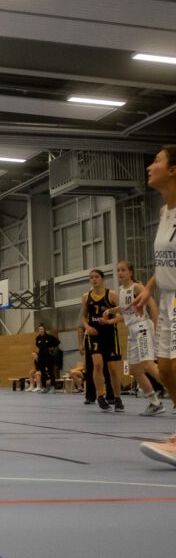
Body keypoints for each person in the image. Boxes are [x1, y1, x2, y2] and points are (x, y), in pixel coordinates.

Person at [134, 146, 176, 467]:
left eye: (157, 161)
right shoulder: (164, 212)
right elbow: (166, 260)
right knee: (165, 369)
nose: (150, 166)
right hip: (167, 298)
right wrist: (149, 288)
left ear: (173, 169)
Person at [101, 260, 164, 416]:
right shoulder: (122, 291)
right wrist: (110, 312)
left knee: (148, 364)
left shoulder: (137, 287)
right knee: (135, 369)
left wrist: (156, 330)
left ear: (130, 272)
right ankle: (155, 403)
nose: (120, 272)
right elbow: (125, 309)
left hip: (142, 327)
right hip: (132, 331)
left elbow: (152, 305)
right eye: (118, 270)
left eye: (123, 270)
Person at [80, 269, 124, 412]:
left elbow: (124, 314)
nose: (94, 279)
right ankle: (100, 396)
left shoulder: (111, 295)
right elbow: (83, 317)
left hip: (110, 335)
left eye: (96, 277)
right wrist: (87, 327)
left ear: (102, 279)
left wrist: (109, 321)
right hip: (94, 335)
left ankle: (117, 398)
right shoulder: (86, 297)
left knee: (113, 369)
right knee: (98, 365)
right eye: (91, 277)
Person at [34, 324, 60, 394]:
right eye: (39, 329)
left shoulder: (49, 337)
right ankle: (44, 387)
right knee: (43, 372)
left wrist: (52, 348)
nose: (40, 330)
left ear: (44, 330)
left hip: (49, 357)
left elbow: (57, 342)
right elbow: (38, 345)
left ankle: (53, 387)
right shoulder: (38, 338)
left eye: (42, 329)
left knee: (51, 372)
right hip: (41, 357)